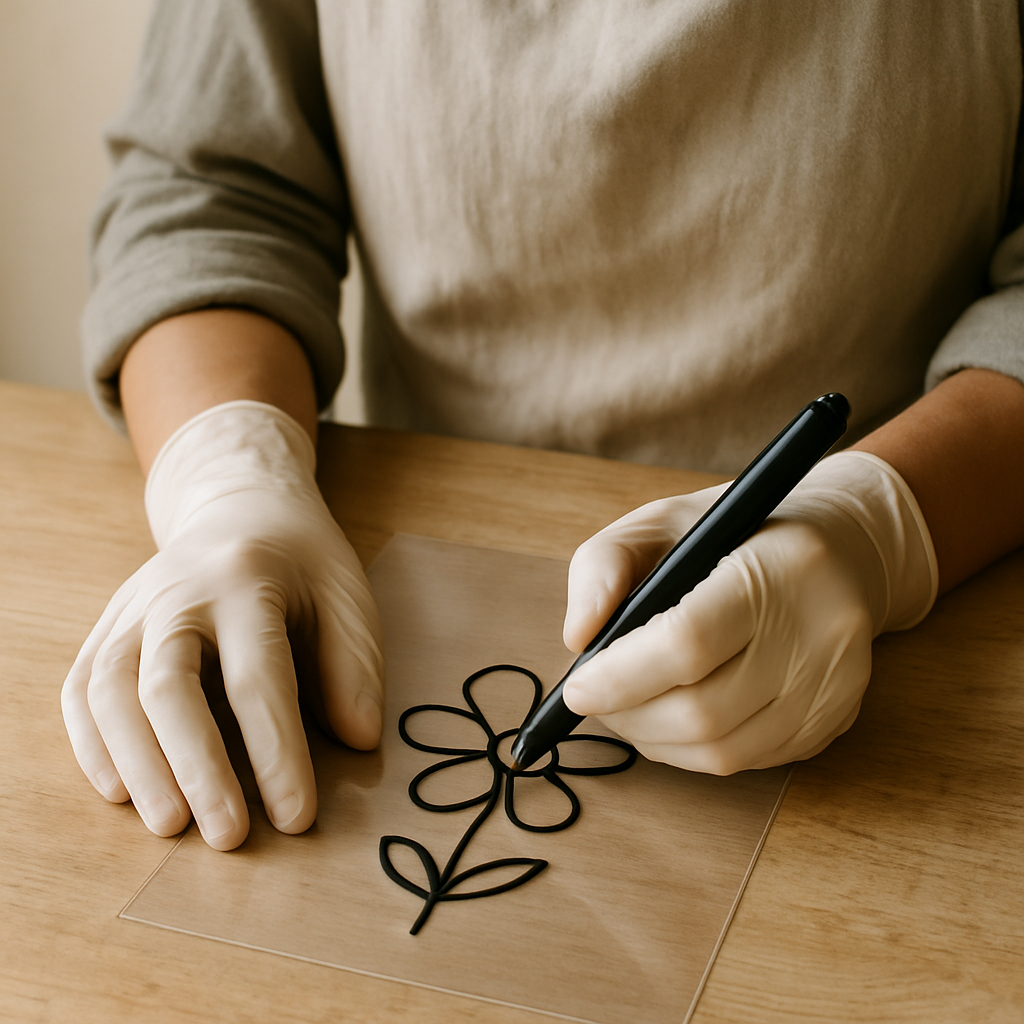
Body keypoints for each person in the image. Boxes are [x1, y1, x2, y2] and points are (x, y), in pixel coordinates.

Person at [62, 1, 1024, 851]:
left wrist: (879, 521)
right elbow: (210, 192)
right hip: (413, 558)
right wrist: (231, 476)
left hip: (940, 599)